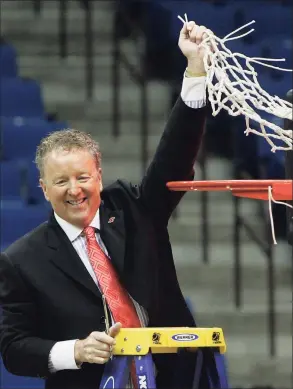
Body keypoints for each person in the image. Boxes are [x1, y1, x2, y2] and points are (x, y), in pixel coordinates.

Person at [0, 21, 220, 389]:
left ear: (99, 176)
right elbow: (14, 348)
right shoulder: (22, 260)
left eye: (83, 177)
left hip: (173, 379)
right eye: (61, 181)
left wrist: (195, 71)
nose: (75, 190)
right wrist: (75, 350)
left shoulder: (136, 209)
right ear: (43, 188)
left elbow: (174, 158)